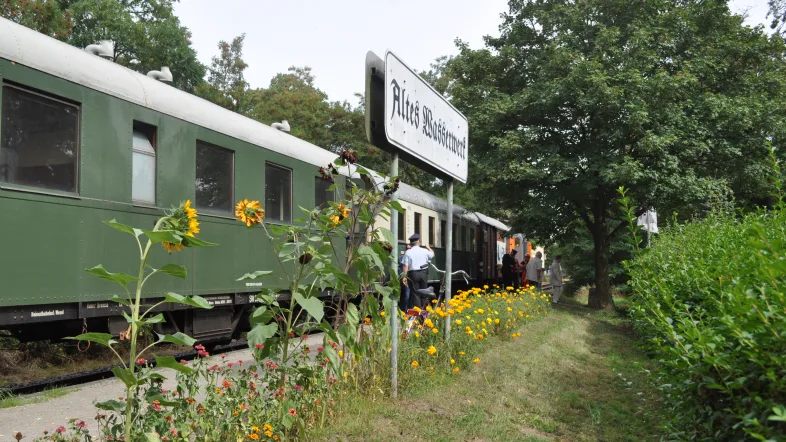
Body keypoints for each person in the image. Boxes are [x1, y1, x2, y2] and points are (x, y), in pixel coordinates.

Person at [401, 233, 434, 308]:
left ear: (411, 243)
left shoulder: (408, 252)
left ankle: (418, 312)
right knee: (424, 292)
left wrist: (404, 276)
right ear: (418, 242)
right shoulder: (424, 251)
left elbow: (405, 266)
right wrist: (428, 247)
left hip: (413, 274)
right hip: (424, 273)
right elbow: (432, 254)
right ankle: (425, 311)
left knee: (415, 293)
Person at [399, 243, 412, 311]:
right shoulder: (401, 258)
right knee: (406, 295)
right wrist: (403, 276)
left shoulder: (414, 257)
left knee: (411, 296)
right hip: (406, 279)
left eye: (410, 248)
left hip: (413, 278)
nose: (408, 250)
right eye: (407, 248)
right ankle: (403, 310)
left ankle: (409, 310)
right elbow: (399, 268)